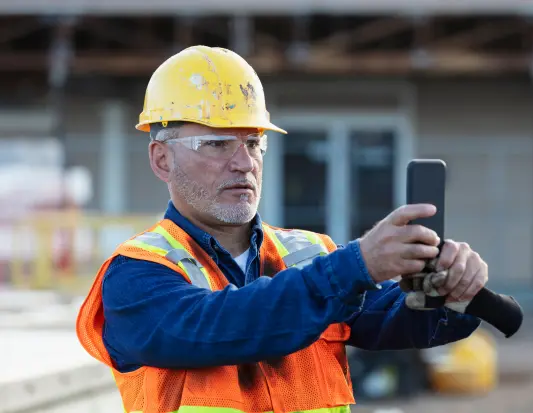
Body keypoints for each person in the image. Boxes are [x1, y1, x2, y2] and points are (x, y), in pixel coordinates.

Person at [76, 45, 487, 413]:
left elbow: (397, 322)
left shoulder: (310, 255)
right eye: (217, 144)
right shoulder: (136, 274)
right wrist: (355, 265)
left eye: (254, 143)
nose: (244, 163)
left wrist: (450, 295)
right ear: (162, 160)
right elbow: (224, 325)